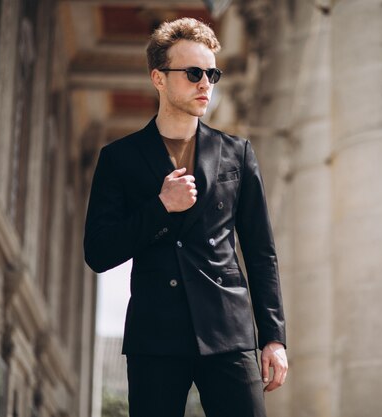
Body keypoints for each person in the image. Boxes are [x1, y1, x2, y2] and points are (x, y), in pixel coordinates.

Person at [83, 17, 287, 417]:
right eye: (194, 72)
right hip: (155, 335)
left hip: (229, 330)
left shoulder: (237, 153)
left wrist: (274, 338)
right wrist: (161, 207)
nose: (205, 83)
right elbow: (99, 251)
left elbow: (261, 252)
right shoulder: (118, 159)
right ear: (158, 78)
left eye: (212, 73)